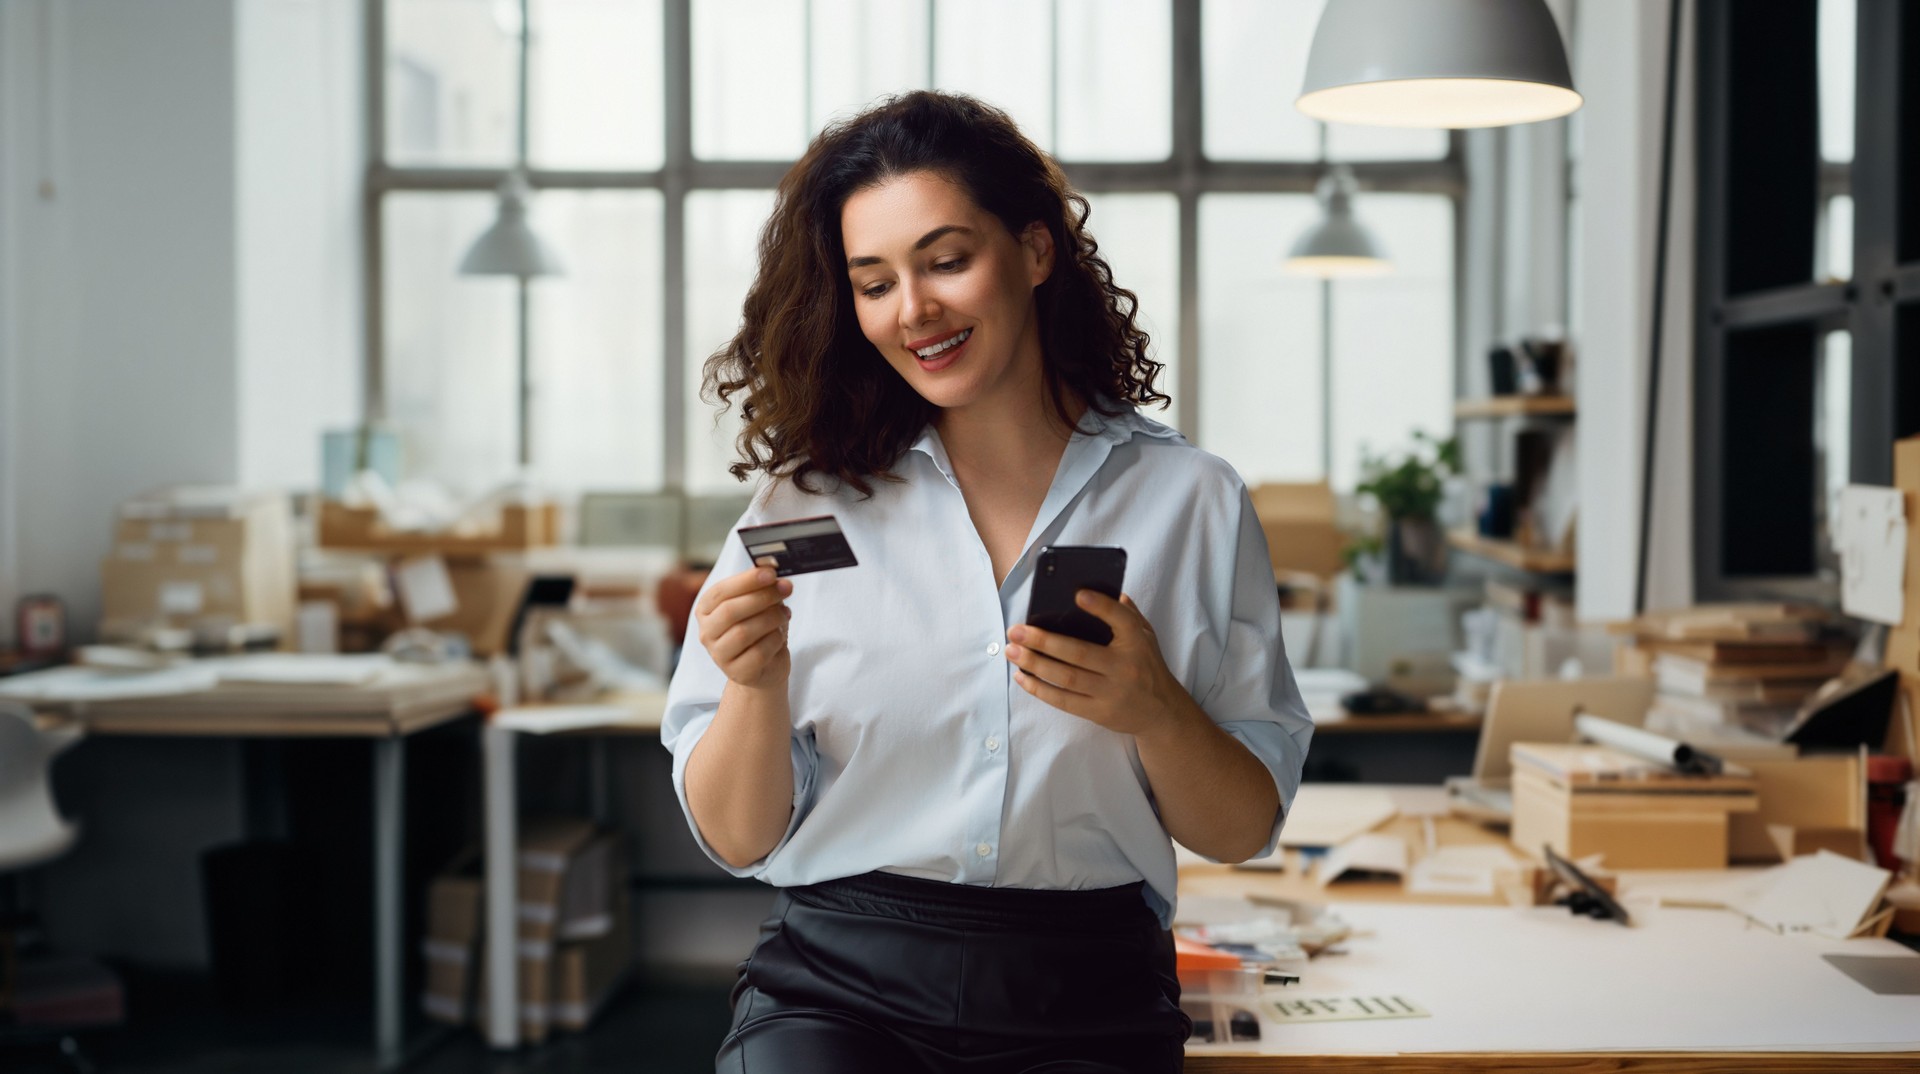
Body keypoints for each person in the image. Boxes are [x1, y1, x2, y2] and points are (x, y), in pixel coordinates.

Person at [661, 90, 1313, 1074]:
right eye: (873, 282)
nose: (912, 309)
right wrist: (753, 688)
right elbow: (737, 836)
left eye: (947, 260)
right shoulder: (806, 506)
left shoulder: (1190, 501)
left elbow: (1240, 829)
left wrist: (1156, 711)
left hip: (1091, 994)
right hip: (838, 991)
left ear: (1037, 252)